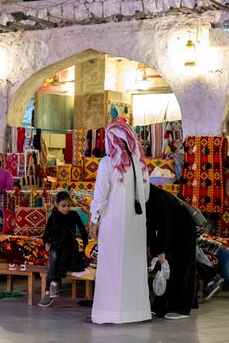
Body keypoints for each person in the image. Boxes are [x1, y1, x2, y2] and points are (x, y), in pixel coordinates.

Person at [88, 122, 150, 324]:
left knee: (112, 267)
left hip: (113, 223)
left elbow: (100, 194)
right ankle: (135, 312)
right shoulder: (141, 164)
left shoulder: (108, 163)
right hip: (137, 224)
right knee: (133, 266)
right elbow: (146, 195)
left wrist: (94, 219)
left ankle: (109, 313)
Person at [146, 185, 198, 320]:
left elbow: (164, 226)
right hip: (173, 232)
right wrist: (156, 250)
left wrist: (161, 251)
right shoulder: (147, 197)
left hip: (184, 231)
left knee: (181, 267)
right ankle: (160, 305)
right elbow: (150, 228)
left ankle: (182, 307)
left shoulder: (158, 197)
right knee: (166, 269)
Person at [39, 191, 88, 307]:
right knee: (54, 255)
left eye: (68, 206)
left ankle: (52, 286)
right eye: (63, 206)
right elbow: (46, 234)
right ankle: (51, 287)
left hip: (70, 244)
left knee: (64, 252)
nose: (66, 208)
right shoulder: (54, 216)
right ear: (56, 204)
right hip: (56, 244)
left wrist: (85, 246)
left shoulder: (74, 215)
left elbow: (83, 231)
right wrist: (46, 243)